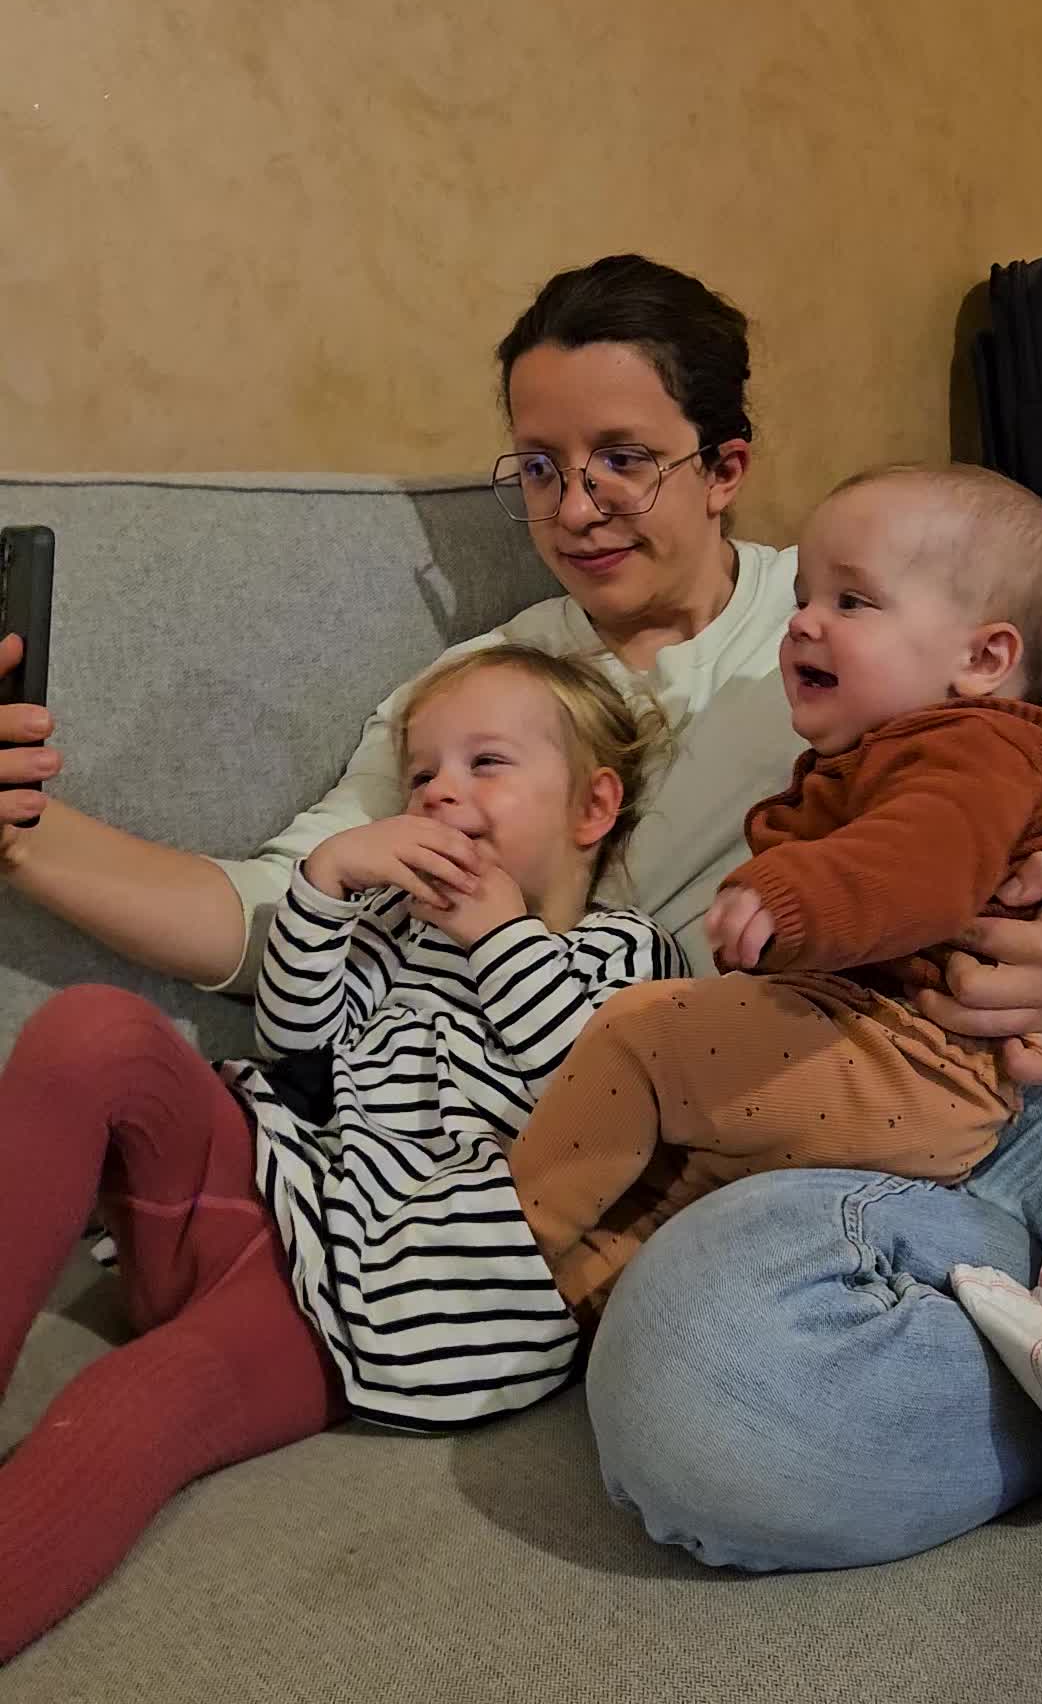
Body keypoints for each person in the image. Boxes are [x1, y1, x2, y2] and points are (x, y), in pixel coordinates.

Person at [3, 253, 1042, 1570]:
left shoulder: (853, 618)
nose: (576, 507)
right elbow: (266, 916)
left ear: (725, 468)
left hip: (969, 1055)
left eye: (625, 460)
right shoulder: (482, 683)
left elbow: (1026, 748)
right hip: (723, 1118)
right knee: (700, 1388)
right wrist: (22, 834)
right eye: (537, 466)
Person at [0, 645, 684, 1659]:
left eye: (486, 764)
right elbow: (298, 1043)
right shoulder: (392, 929)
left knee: (130, 1406)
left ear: (591, 810)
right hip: (266, 1189)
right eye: (421, 774)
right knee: (93, 1030)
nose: (439, 791)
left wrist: (500, 936)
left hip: (370, 1295)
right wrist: (324, 885)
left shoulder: (626, 954)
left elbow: (594, 1095)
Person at [509, 465, 1042, 1325]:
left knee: (640, 1035)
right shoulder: (902, 748)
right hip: (891, 1059)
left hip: (911, 1058)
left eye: (852, 602)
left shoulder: (972, 748)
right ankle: (553, 1313)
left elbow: (921, 862)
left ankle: (492, 1245)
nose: (804, 621)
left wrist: (791, 897)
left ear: (983, 659)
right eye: (804, 597)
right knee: (673, 1187)